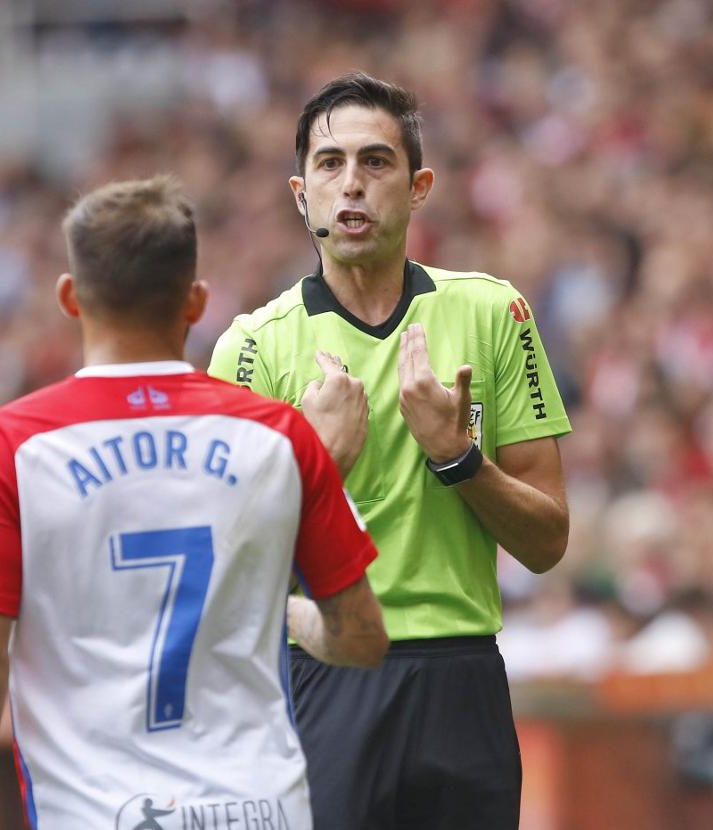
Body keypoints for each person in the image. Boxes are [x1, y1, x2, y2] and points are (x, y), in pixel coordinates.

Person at [0, 175, 388, 829]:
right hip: (259, 813)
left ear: (69, 297)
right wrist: (278, 609)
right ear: (196, 301)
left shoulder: (13, 444)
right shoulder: (280, 436)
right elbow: (361, 637)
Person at [208, 73, 572, 829]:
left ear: (418, 188)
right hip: (323, 675)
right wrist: (320, 467)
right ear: (301, 194)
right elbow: (226, 575)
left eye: (375, 162)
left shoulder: (495, 312)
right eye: (330, 163)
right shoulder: (250, 349)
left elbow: (547, 542)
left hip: (463, 677)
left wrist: (458, 458)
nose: (352, 183)